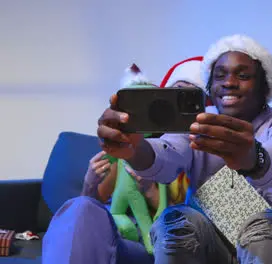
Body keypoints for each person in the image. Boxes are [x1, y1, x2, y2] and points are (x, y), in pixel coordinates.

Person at [97, 34, 272, 264]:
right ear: (210, 86)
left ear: (264, 85)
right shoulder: (198, 125)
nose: (228, 82)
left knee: (259, 221)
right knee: (176, 220)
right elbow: (167, 152)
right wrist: (134, 150)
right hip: (212, 244)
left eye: (243, 75)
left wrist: (253, 158)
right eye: (220, 76)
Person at [42, 57, 206, 264]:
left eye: (193, 99)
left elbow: (189, 228)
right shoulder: (128, 148)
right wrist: (90, 183)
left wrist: (150, 191)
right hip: (118, 239)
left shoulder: (201, 155)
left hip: (157, 245)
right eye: (177, 94)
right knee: (80, 207)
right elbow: (92, 205)